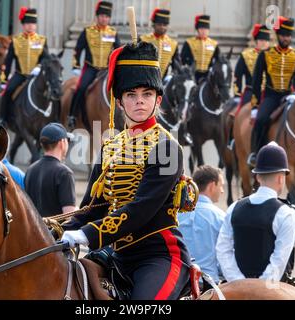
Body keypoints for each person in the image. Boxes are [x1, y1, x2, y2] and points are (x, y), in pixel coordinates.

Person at [61, 41, 192, 300]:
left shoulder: (167, 147)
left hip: (158, 255)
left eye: (147, 94)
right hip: (116, 253)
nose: (139, 102)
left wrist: (87, 234)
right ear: (119, 102)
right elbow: (91, 207)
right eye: (131, 95)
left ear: (158, 99)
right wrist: (56, 230)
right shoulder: (110, 146)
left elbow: (140, 210)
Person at [216, 142, 295, 283]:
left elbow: (222, 249)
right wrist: (259, 287)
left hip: (236, 290)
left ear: (258, 177)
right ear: (281, 178)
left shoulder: (234, 207)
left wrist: (238, 281)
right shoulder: (286, 213)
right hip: (270, 292)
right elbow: (279, 260)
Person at [247, 16, 295, 167]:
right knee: (261, 120)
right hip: (272, 96)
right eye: (284, 35)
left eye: (289, 35)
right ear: (278, 35)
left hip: (289, 96)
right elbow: (256, 81)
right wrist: (255, 104)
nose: (287, 38)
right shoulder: (265, 54)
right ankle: (256, 154)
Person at [67, 1, 120, 130]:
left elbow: (118, 51)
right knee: (80, 88)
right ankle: (72, 116)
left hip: (107, 70)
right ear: (97, 16)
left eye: (107, 17)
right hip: (91, 68)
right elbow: (77, 50)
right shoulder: (87, 31)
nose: (104, 19)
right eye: (102, 16)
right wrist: (76, 67)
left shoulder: (113, 33)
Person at [0, 7, 49, 127]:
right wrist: (4, 79)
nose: (30, 26)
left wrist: (39, 67)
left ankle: (53, 118)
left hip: (36, 75)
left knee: (52, 92)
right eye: (27, 23)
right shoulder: (15, 41)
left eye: (32, 23)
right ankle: (3, 118)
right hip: (20, 74)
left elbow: (47, 59)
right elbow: (8, 61)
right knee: (8, 91)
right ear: (23, 25)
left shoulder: (42, 40)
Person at [178, 165, 225, 291]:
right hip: (209, 287)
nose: (222, 191)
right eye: (221, 186)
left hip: (180, 285)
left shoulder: (176, 214)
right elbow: (225, 257)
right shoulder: (220, 217)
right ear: (211, 186)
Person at [25, 123, 76, 217]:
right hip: (54, 231)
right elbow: (69, 216)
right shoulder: (64, 173)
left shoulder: (30, 170)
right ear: (62, 143)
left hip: (34, 231)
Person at [234, 24, 270, 109]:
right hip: (251, 91)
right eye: (261, 40)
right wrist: (237, 94)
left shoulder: (274, 56)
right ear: (256, 41)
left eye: (266, 40)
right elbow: (238, 75)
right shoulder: (246, 55)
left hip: (269, 93)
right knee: (238, 112)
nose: (264, 43)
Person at [140, 8, 180, 83]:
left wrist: (174, 75)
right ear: (154, 25)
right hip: (144, 79)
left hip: (164, 80)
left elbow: (176, 64)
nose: (162, 27)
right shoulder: (143, 39)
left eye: (164, 25)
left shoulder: (173, 44)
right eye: (159, 24)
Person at [181, 14, 220, 84]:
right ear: (197, 29)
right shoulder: (189, 43)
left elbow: (218, 60)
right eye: (201, 29)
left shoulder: (214, 44)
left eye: (206, 29)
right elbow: (183, 59)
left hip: (209, 75)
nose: (204, 31)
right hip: (192, 75)